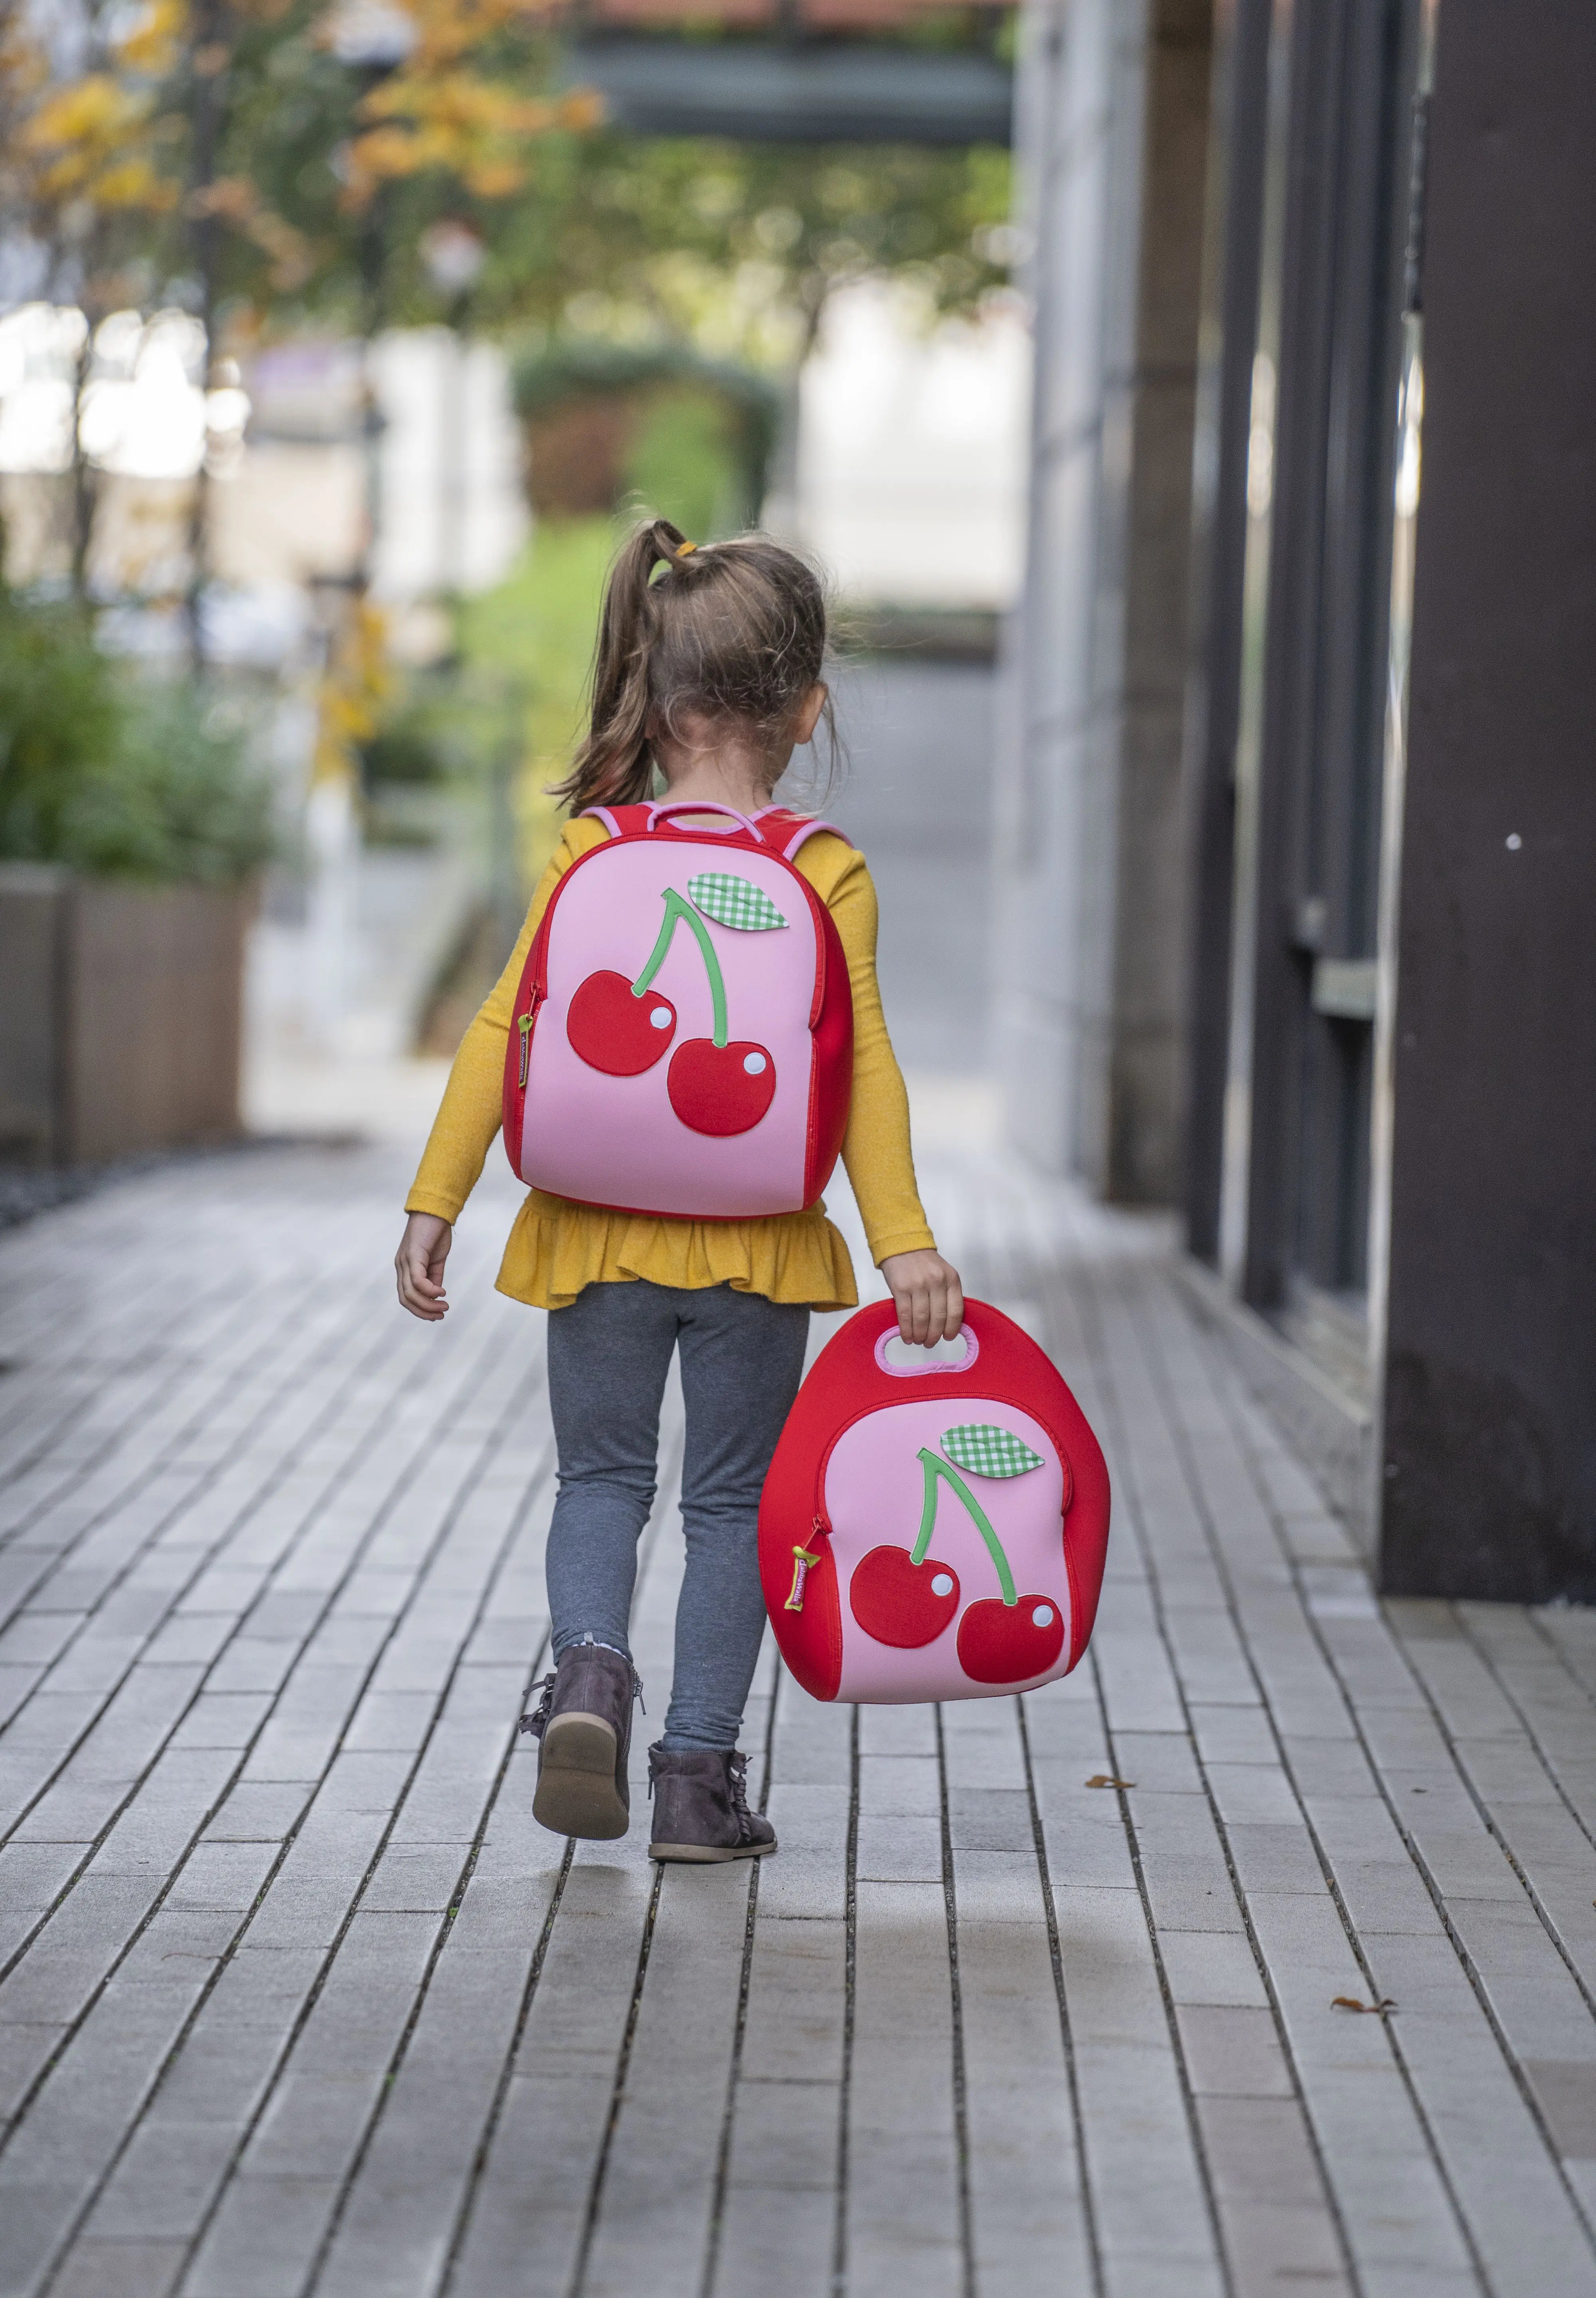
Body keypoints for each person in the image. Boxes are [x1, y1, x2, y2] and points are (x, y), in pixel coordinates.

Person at [393, 518, 963, 1865]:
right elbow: (865, 1067)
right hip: (760, 1251)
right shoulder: (825, 872)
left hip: (590, 1236)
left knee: (598, 1481)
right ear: (808, 710)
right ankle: (698, 1786)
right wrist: (905, 1247)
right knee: (730, 1510)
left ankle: (585, 1675)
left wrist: (439, 1198)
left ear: (652, 698)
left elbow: (499, 1029)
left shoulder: (590, 855)